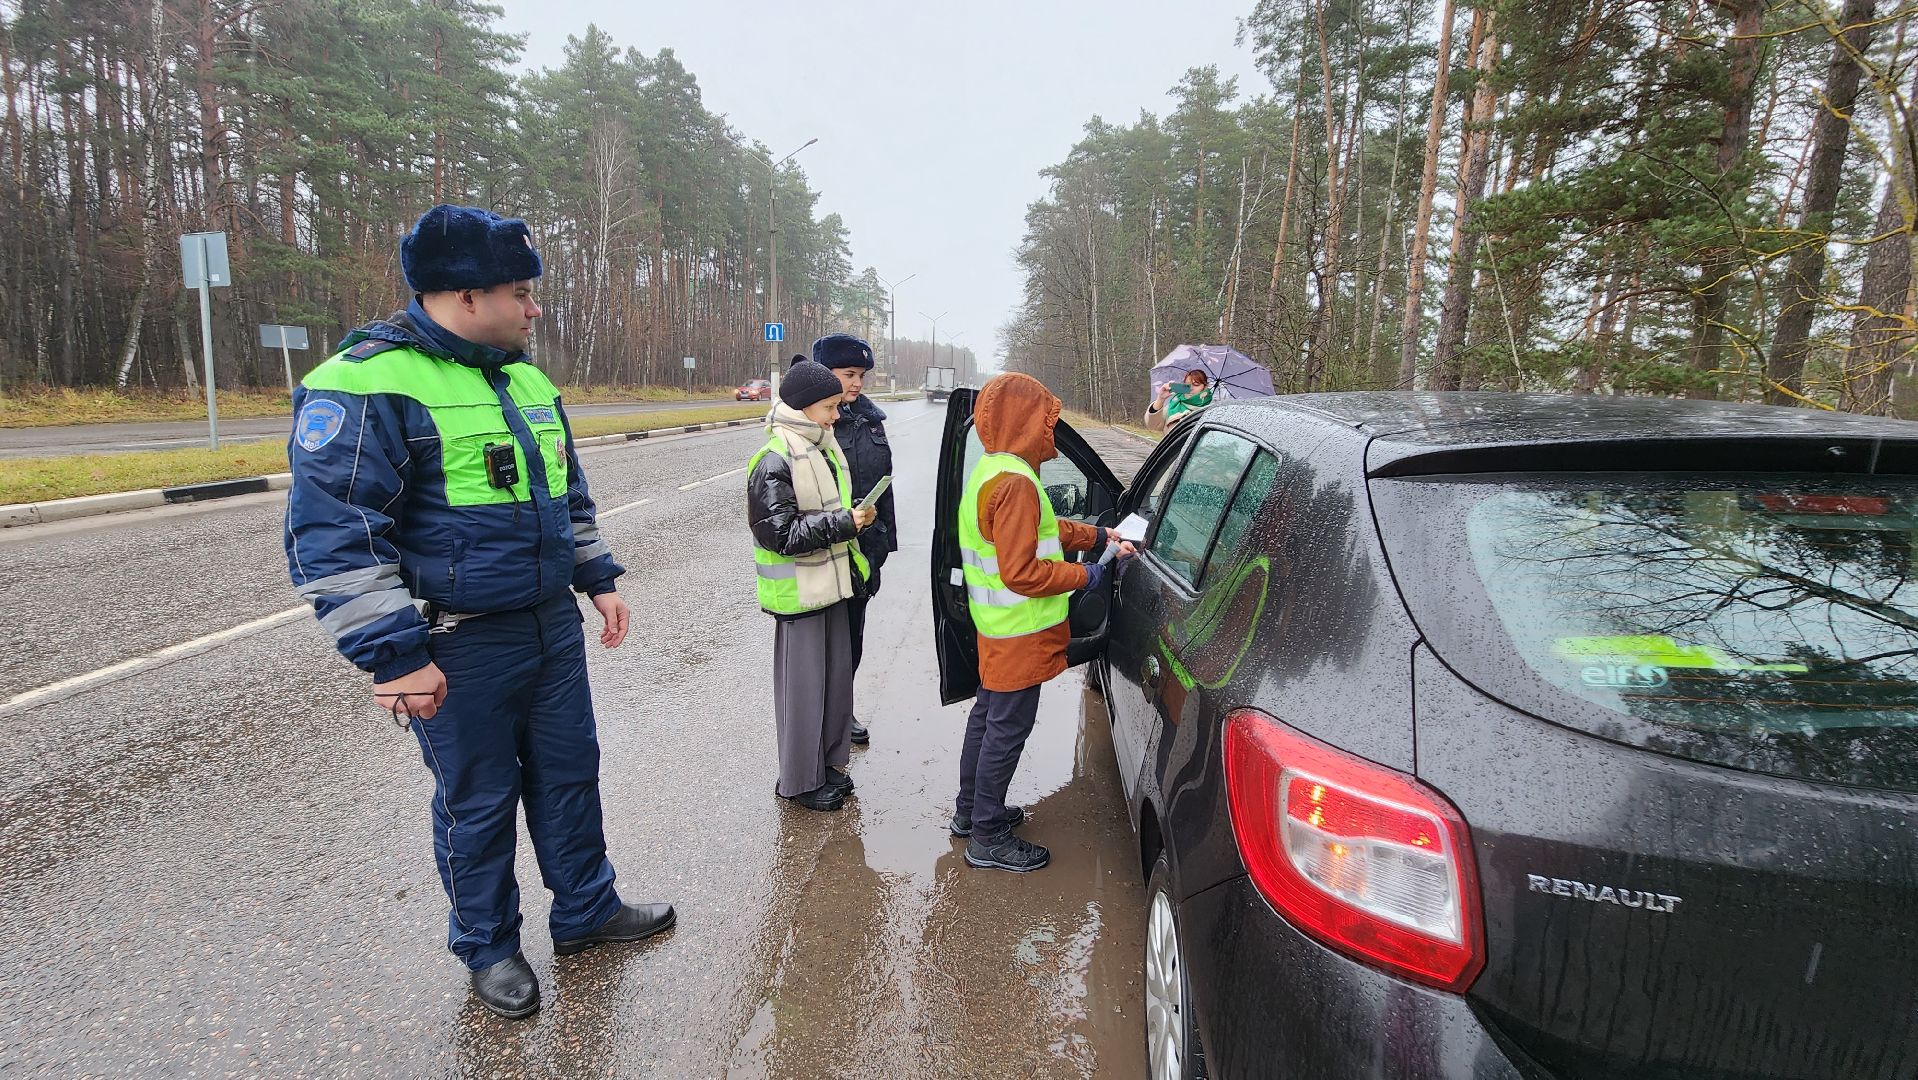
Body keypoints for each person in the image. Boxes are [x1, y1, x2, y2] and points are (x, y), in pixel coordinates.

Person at [283, 204, 674, 1020]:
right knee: (479, 802)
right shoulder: (365, 383)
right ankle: (490, 947)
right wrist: (393, 656)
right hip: (455, 643)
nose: (534, 309)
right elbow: (338, 538)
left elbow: (567, 494)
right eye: (521, 292)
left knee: (571, 775)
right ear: (464, 296)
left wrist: (596, 575)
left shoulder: (526, 378)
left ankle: (586, 910)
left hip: (547, 627)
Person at [953, 373, 1135, 872]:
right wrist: (1089, 574)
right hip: (1020, 632)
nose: (1052, 432)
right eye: (1047, 421)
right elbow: (1023, 572)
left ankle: (971, 812)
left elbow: (1047, 531)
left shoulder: (996, 470)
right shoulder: (1016, 484)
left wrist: (1099, 535)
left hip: (997, 628)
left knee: (988, 719)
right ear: (1024, 421)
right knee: (1006, 730)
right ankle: (987, 836)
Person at [747, 359, 877, 812]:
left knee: (833, 686)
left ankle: (825, 768)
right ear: (803, 409)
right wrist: (844, 522)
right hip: (799, 599)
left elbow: (820, 512)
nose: (836, 416)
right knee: (804, 694)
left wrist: (853, 518)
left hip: (831, 589)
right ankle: (799, 783)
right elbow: (779, 535)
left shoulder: (821, 447)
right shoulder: (774, 460)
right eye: (829, 407)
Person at [807, 333, 896, 746]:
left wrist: (882, 543)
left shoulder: (870, 420)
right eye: (848, 374)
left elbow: (885, 484)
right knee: (822, 647)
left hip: (861, 550)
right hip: (823, 550)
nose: (857, 382)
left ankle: (843, 710)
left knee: (852, 640)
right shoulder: (811, 421)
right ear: (825, 374)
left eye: (861, 375)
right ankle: (817, 726)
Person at [1144, 367, 1214, 431]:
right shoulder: (1176, 402)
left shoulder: (1210, 409)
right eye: (1187, 385)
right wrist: (1160, 399)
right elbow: (1153, 426)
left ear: (1205, 386)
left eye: (1196, 385)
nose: (1191, 388)